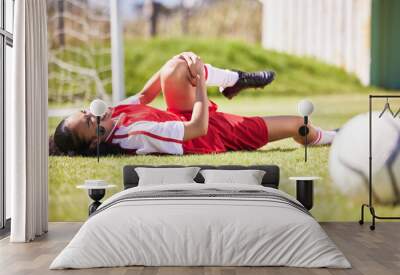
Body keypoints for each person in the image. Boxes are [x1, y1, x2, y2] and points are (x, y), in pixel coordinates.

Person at [49, 52, 336, 156]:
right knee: (300, 125)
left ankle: (235, 79)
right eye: (89, 121)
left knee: (177, 66)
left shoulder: (115, 114)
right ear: (95, 142)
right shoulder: (133, 135)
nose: (94, 113)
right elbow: (197, 128)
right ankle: (332, 136)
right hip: (211, 134)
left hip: (181, 114)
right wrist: (199, 82)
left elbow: (147, 95)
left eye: (86, 111)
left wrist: (173, 63)